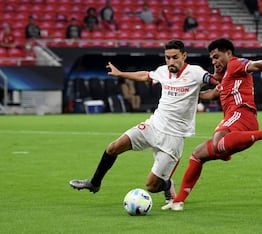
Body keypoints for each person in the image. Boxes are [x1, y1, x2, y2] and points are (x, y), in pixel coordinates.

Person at [69, 40, 219, 204]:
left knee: (152, 186)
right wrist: (120, 74)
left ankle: (167, 184)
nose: (170, 62)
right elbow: (145, 75)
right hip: (153, 125)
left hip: (173, 138)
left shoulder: (195, 72)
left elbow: (215, 81)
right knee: (113, 147)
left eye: (175, 57)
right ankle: (94, 183)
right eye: (167, 58)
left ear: (184, 55)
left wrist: (219, 87)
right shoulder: (162, 71)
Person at [161, 38, 262, 211]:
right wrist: (186, 92)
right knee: (197, 155)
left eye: (217, 57)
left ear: (228, 54)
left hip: (243, 114)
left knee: (218, 141)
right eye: (211, 58)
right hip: (233, 122)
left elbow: (255, 66)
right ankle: (178, 201)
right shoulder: (223, 76)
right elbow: (210, 94)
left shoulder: (235, 64)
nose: (214, 61)